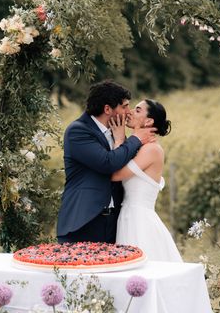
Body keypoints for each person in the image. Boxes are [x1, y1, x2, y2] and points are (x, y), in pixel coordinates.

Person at [56, 80, 156, 244]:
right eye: (124, 106)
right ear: (108, 109)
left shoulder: (118, 134)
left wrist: (121, 140)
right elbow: (107, 163)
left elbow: (124, 168)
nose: (128, 111)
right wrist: (136, 138)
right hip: (84, 221)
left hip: (115, 223)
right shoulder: (78, 131)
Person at [110, 99, 183, 262]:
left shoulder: (152, 149)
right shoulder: (139, 147)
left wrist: (119, 140)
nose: (129, 112)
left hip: (140, 221)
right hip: (128, 216)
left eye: (137, 110)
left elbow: (115, 175)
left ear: (149, 121)